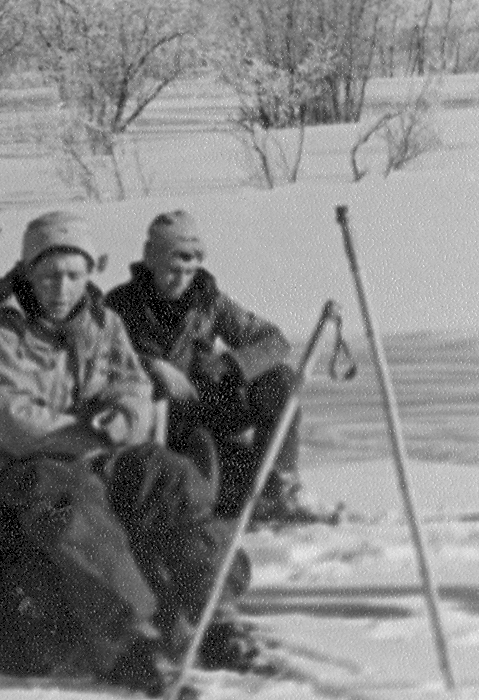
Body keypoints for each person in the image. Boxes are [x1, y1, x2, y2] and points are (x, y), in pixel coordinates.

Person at [0, 210, 259, 695]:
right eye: (50, 275)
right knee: (74, 496)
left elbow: (130, 382)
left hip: (88, 452)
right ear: (27, 272)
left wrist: (124, 416)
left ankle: (212, 613)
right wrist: (93, 436)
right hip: (10, 465)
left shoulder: (101, 323)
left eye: (74, 275)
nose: (62, 288)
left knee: (166, 474)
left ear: (90, 274)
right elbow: (17, 425)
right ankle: (127, 639)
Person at [105, 210, 322, 525]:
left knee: (280, 380)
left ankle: (281, 485)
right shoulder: (118, 306)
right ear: (150, 259)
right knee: (202, 491)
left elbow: (273, 341)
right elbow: (99, 359)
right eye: (171, 269)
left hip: (205, 409)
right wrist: (152, 367)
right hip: (150, 423)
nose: (180, 280)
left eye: (189, 271)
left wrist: (231, 364)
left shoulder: (208, 301)